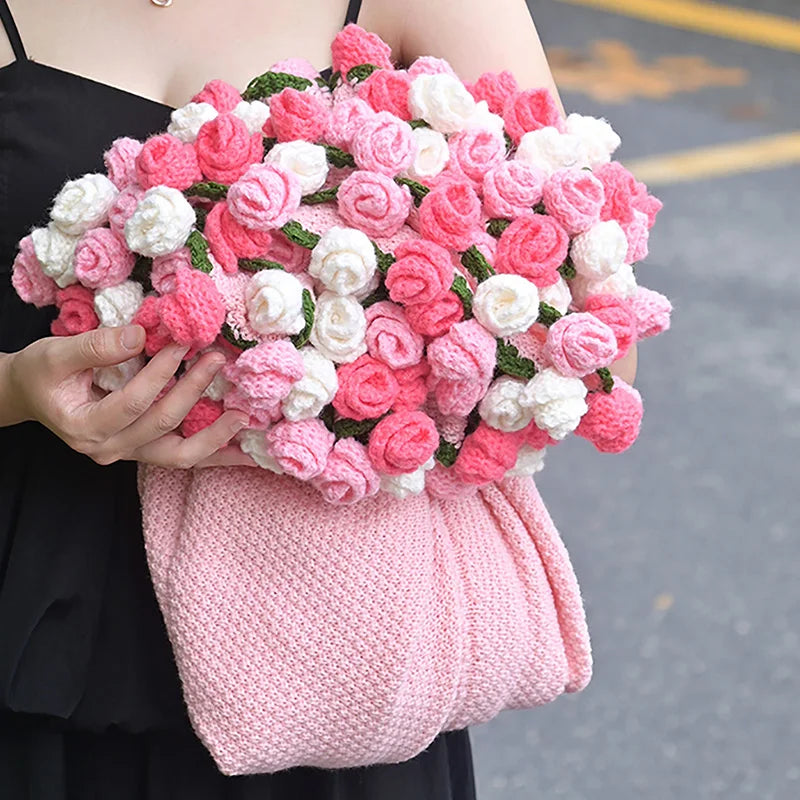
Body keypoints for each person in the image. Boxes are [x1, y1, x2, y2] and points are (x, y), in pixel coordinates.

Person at [0, 0, 637, 796]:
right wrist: (13, 391)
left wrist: (360, 367)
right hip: (32, 626)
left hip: (341, 644)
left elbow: (601, 344)